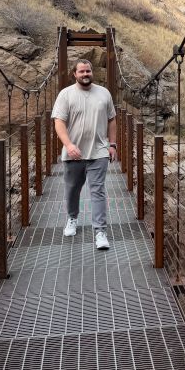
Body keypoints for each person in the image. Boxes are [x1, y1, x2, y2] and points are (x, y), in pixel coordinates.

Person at [51, 59, 117, 249]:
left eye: (88, 71)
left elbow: (112, 119)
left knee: (98, 191)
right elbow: (59, 122)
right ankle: (72, 218)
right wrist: (69, 145)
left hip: (99, 151)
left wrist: (112, 144)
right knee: (72, 190)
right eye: (81, 72)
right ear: (75, 74)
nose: (85, 74)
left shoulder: (104, 93)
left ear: (91, 72)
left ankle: (100, 232)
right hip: (74, 153)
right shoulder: (66, 94)